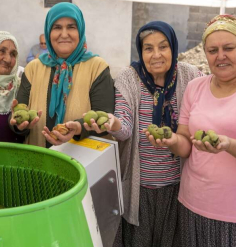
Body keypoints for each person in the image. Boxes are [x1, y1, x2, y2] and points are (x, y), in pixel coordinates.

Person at [147, 15, 236, 246]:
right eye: (212, 50)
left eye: (229, 48)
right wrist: (171, 140)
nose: (220, 56)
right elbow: (186, 145)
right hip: (194, 205)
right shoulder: (195, 87)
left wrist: (229, 145)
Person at [86, 21, 201, 246]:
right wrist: (114, 124)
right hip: (140, 189)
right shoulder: (129, 77)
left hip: (178, 187)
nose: (156, 54)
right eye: (148, 48)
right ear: (141, 51)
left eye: (163, 46)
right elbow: (125, 127)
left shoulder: (191, 76)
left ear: (173, 48)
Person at [11, 2, 114, 148]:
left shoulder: (97, 67)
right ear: (48, 32)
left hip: (79, 162)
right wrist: (18, 125)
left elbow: (104, 119)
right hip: (38, 159)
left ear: (80, 31)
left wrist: (78, 128)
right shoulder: (34, 68)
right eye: (57, 27)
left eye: (71, 27)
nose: (64, 34)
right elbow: (21, 112)